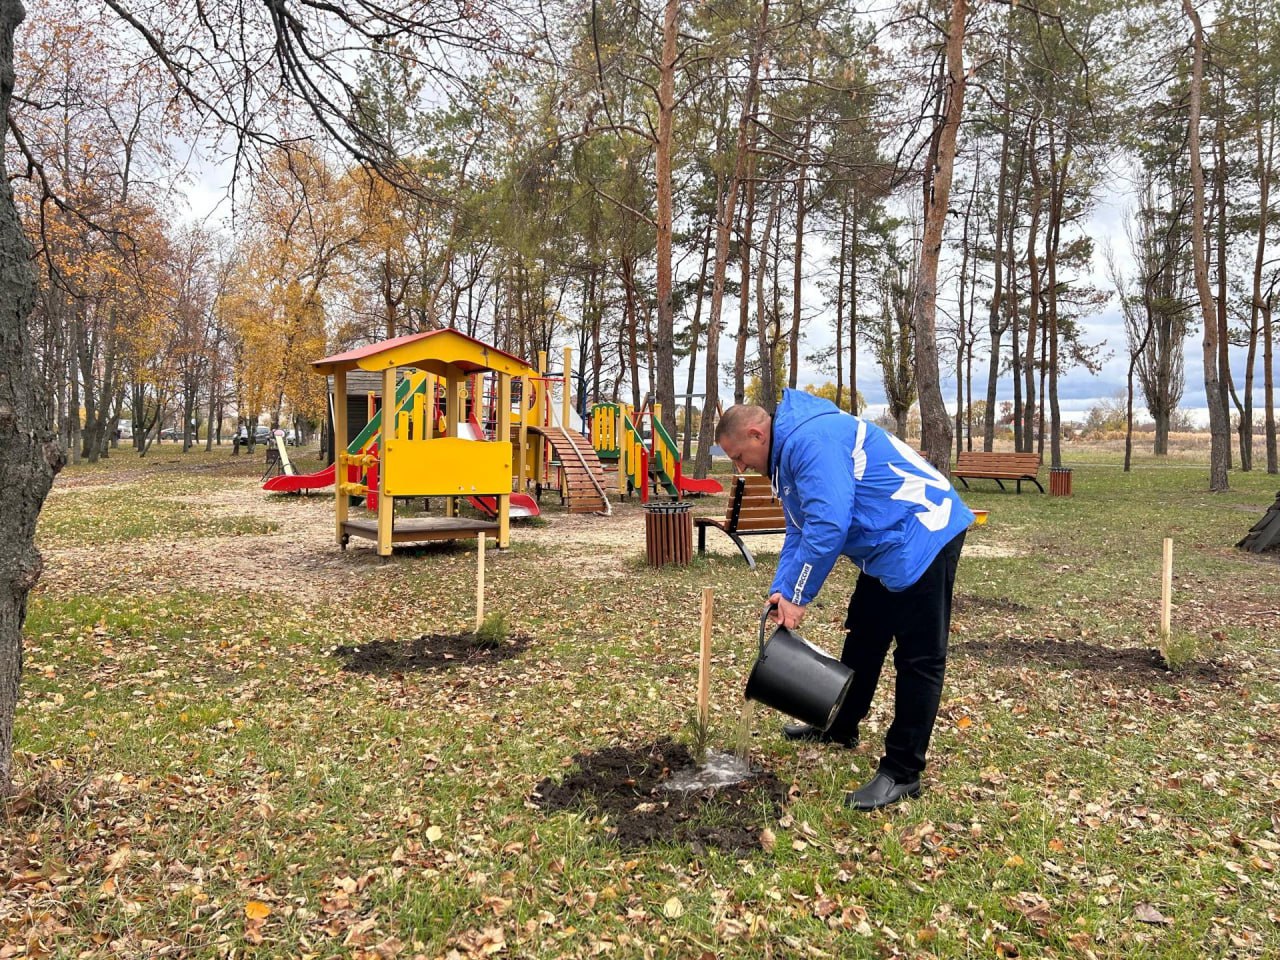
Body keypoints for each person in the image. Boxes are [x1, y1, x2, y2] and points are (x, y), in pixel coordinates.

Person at [715, 389, 973, 811]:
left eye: (739, 456)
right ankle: (840, 726)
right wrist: (782, 590)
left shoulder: (809, 441)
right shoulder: (787, 457)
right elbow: (800, 529)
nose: (740, 468)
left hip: (924, 530)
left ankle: (902, 772)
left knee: (919, 659)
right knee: (865, 634)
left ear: (757, 434)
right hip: (885, 544)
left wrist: (800, 596)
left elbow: (829, 526)